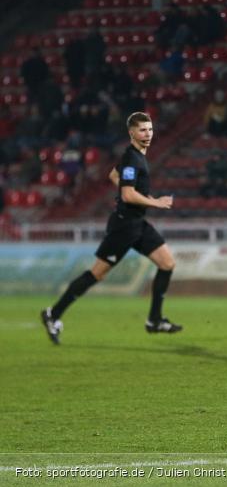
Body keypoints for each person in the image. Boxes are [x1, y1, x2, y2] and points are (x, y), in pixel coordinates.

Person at [41, 112, 180, 343]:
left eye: (150, 129)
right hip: (124, 227)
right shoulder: (133, 158)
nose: (148, 134)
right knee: (97, 273)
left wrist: (139, 196)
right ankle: (53, 314)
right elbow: (127, 194)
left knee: (167, 263)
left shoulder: (134, 156)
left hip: (137, 223)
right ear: (132, 133)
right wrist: (154, 202)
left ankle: (154, 320)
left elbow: (114, 175)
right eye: (142, 130)